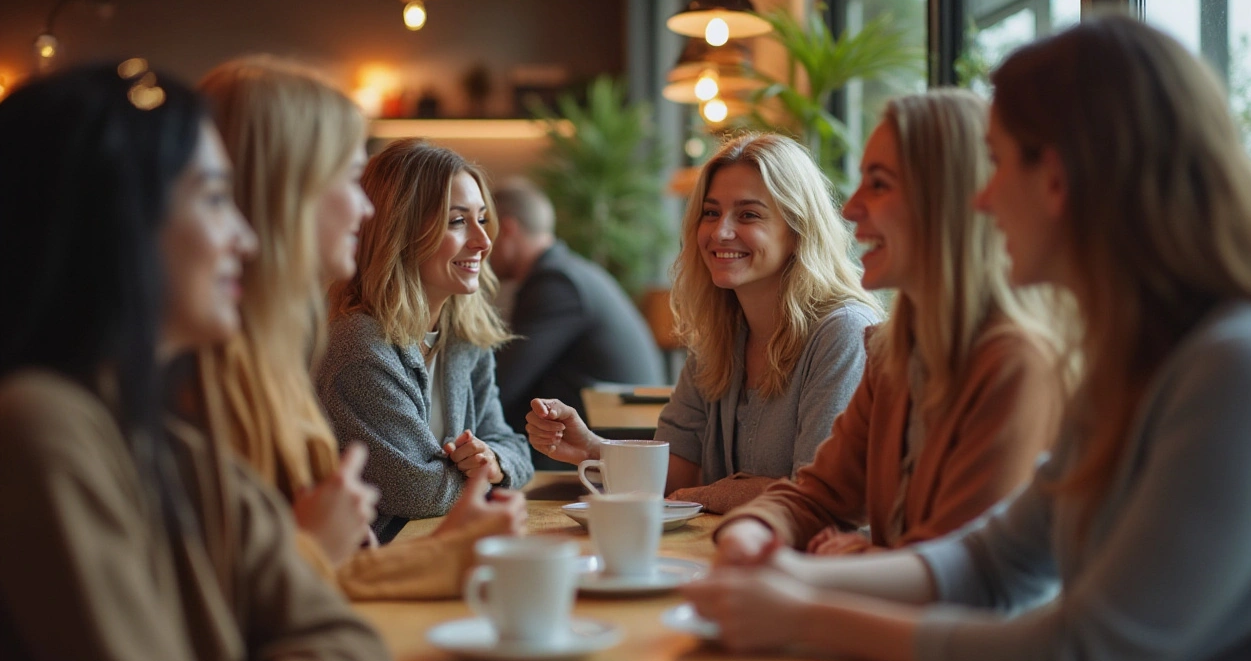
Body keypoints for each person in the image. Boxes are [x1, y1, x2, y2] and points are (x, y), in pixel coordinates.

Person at [683, 15, 1251, 661]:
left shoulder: (1240, 369)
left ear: (1056, 180)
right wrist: (788, 578)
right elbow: (994, 561)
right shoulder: (1128, 361)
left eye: (998, 166)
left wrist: (805, 611)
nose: (984, 200)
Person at [0, 63, 396, 661]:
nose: (244, 236)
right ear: (121, 221)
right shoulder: (41, 427)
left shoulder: (163, 441)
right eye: (215, 199)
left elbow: (345, 641)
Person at [198, 56, 526, 599]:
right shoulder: (327, 346)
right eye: (349, 179)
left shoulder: (266, 358)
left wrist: (486, 474)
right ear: (283, 191)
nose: (364, 208)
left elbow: (311, 579)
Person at [713, 90, 1065, 561]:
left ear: (949, 200)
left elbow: (962, 574)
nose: (851, 207)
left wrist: (854, 560)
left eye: (878, 185)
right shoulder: (892, 352)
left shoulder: (1017, 363)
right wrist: (748, 534)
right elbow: (818, 495)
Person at [526, 133, 883, 513]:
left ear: (798, 231)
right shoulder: (719, 334)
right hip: (735, 552)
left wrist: (709, 494)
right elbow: (679, 473)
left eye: (748, 214)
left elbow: (823, 495)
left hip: (817, 565)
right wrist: (592, 449)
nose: (719, 232)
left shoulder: (844, 332)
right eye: (711, 213)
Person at [318, 139, 534, 544]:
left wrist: (494, 460)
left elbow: (513, 447)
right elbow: (418, 491)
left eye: (482, 219)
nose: (483, 241)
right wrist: (486, 475)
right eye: (457, 221)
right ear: (399, 231)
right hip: (377, 563)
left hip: (439, 544)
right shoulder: (359, 345)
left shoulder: (465, 337)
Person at [489, 177, 665, 470]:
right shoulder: (570, 271)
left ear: (507, 229)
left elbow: (502, 383)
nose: (480, 245)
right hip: (611, 438)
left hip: (608, 452)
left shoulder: (556, 283)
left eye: (484, 227)